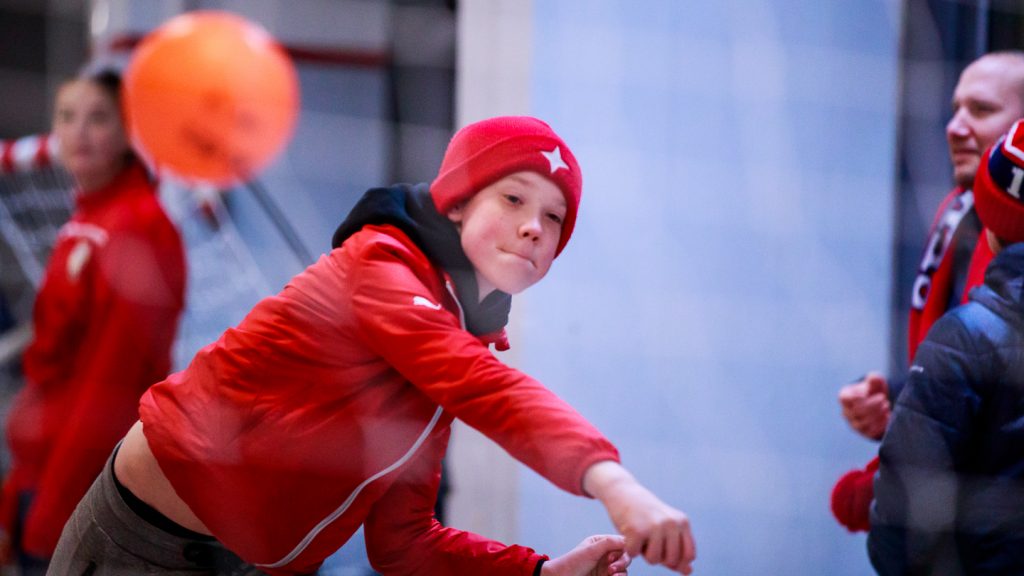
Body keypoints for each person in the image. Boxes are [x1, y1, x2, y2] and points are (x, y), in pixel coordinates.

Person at [47, 116, 696, 576]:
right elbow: (482, 386)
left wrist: (539, 573)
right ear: (458, 203)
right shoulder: (381, 266)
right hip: (143, 542)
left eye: (554, 217)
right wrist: (615, 484)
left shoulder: (453, 335)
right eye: (513, 197)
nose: (534, 227)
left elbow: (404, 544)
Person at [0, 69, 187, 573]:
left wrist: (52, 512)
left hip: (79, 489)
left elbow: (109, 385)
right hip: (41, 474)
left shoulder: (140, 226)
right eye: (67, 116)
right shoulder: (84, 219)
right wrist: (18, 488)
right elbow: (50, 372)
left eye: (98, 118)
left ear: (128, 133)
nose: (79, 132)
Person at [830, 51, 1024, 532]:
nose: (955, 127)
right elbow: (966, 373)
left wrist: (879, 491)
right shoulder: (957, 213)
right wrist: (896, 398)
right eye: (956, 109)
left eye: (981, 110)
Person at [868, 118, 1024, 575]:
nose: (957, 125)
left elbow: (901, 534)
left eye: (980, 107)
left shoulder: (967, 339)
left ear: (991, 227)